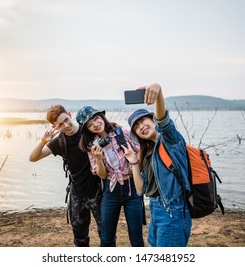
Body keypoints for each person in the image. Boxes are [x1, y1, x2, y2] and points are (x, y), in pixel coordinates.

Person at [122, 83, 192, 247]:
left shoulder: (170, 141)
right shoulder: (147, 154)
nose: (141, 127)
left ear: (152, 119)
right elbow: (140, 189)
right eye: (136, 127)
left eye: (142, 121)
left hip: (173, 210)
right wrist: (134, 162)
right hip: (155, 208)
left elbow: (164, 121)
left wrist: (158, 91)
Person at [29, 104, 102, 247]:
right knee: (80, 237)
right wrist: (44, 140)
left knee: (106, 234)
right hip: (77, 194)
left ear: (69, 114)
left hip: (98, 191)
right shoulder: (59, 141)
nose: (66, 125)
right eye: (60, 125)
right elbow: (33, 158)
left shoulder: (87, 131)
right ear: (55, 127)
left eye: (66, 120)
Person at [77, 106, 144, 247]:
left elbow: (139, 149)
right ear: (87, 129)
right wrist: (99, 159)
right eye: (89, 124)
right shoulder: (92, 147)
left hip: (132, 188)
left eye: (96, 119)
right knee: (107, 238)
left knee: (136, 238)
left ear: (101, 116)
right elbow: (102, 175)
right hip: (111, 190)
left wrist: (135, 166)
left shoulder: (121, 132)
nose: (95, 124)